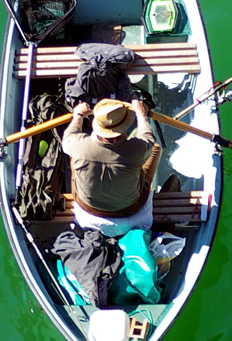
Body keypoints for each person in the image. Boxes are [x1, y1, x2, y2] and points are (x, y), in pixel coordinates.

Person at [62, 98, 161, 237]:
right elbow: (149, 138)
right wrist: (141, 114)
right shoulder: (137, 149)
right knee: (155, 149)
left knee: (74, 157)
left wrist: (78, 115)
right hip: (130, 208)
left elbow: (68, 138)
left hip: (88, 207)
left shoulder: (78, 145)